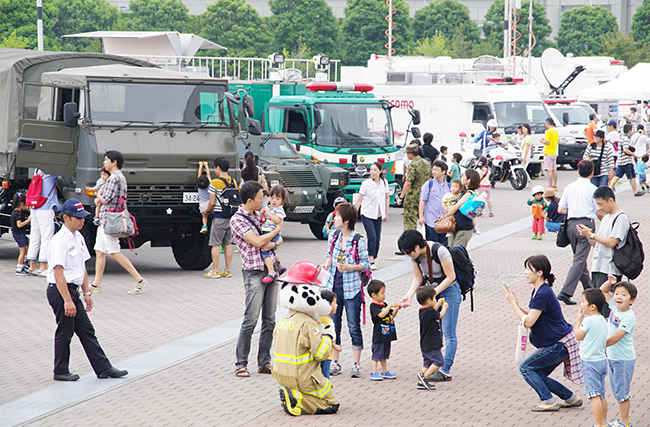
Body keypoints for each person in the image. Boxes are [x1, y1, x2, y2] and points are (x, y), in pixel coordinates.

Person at [46, 198, 128, 382]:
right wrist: (67, 300)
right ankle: (60, 371)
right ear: (66, 218)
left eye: (84, 217)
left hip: (72, 291)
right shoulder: (59, 241)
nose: (83, 221)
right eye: (79, 218)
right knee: (65, 331)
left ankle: (103, 368)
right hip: (60, 291)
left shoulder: (78, 237)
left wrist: (86, 292)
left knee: (86, 330)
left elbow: (81, 267)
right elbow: (58, 273)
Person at [505, 255, 583, 412]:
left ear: (539, 272)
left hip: (559, 344)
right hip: (561, 342)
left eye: (529, 269)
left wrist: (513, 304)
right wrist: (518, 305)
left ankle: (548, 401)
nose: (525, 272)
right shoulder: (540, 291)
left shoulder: (542, 293)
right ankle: (570, 398)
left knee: (526, 368)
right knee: (538, 373)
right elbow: (532, 314)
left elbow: (528, 322)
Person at [231, 181, 284, 377]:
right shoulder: (237, 220)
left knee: (270, 320)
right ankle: (241, 363)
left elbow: (277, 242)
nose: (265, 200)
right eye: (261, 197)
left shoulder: (262, 215)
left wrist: (275, 239)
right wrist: (278, 230)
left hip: (271, 271)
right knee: (250, 319)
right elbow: (259, 241)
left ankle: (264, 363)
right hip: (254, 272)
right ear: (250, 199)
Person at [273, 260, 339, 416]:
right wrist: (328, 334)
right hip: (302, 375)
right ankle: (297, 398)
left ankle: (294, 396)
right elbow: (321, 353)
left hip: (281, 373)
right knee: (331, 404)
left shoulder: (284, 320)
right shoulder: (308, 324)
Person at [397, 230, 460, 382]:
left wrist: (433, 293)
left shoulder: (440, 251)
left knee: (448, 331)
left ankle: (445, 370)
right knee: (434, 331)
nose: (408, 255)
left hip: (449, 290)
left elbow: (451, 276)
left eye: (408, 252)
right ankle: (435, 365)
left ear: (417, 246)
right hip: (432, 292)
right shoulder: (416, 257)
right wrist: (409, 295)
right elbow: (418, 278)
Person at [323, 202, 370, 378]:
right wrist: (327, 264)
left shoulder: (359, 240)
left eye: (337, 216)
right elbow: (329, 255)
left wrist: (349, 267)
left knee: (353, 326)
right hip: (333, 288)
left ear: (346, 220)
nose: (334, 218)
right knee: (333, 326)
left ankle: (356, 364)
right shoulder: (333, 236)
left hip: (352, 288)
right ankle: (335, 362)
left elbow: (366, 264)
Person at [92, 151, 147, 295]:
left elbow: (106, 199)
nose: (104, 163)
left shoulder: (113, 179)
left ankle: (139, 279)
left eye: (106, 160)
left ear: (114, 162)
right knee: (99, 251)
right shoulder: (120, 177)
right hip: (108, 218)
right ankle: (96, 284)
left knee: (114, 252)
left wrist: (97, 195)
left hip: (109, 219)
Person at [556, 160, 599, 305]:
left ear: (578, 171)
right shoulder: (593, 189)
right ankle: (565, 292)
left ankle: (590, 288)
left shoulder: (569, 187)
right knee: (579, 260)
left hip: (570, 225)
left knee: (579, 259)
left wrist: (574, 210)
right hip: (585, 225)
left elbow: (561, 210)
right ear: (592, 172)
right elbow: (599, 211)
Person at [577, 186, 629, 300]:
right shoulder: (606, 217)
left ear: (610, 200)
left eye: (601, 204)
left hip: (609, 269)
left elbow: (612, 242)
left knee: (605, 306)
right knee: (596, 304)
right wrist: (588, 235)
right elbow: (598, 244)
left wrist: (592, 235)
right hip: (597, 266)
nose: (599, 208)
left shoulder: (621, 218)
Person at [600, 276, 637, 427]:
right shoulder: (614, 308)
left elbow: (616, 338)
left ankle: (624, 422)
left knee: (622, 393)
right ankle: (622, 420)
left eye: (624, 294)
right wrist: (610, 282)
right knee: (616, 390)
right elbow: (603, 290)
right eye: (616, 293)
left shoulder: (628, 317)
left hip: (623, 359)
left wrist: (598, 345)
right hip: (613, 357)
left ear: (631, 300)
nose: (618, 297)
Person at [575, 288, 609, 427]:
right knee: (601, 394)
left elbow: (578, 336)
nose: (581, 304)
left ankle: (597, 424)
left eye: (583, 301)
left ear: (592, 306)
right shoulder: (602, 320)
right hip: (601, 360)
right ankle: (603, 423)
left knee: (593, 395)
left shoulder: (588, 321)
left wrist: (578, 320)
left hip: (590, 362)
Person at [204, 157, 237, 279]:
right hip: (231, 217)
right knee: (227, 244)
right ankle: (227, 270)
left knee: (215, 244)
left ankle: (215, 271)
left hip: (219, 217)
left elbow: (212, 202)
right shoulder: (233, 181)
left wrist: (206, 211)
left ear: (218, 168)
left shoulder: (214, 183)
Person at [355, 162, 389, 270]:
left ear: (380, 171)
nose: (372, 172)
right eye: (371, 170)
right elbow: (360, 199)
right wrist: (353, 212)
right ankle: (371, 260)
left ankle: (373, 256)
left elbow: (386, 197)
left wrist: (386, 212)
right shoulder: (366, 184)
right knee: (372, 236)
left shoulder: (384, 182)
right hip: (367, 213)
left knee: (378, 237)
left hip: (378, 213)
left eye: (375, 170)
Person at [415, 285, 448, 391]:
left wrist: (437, 303)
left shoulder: (423, 311)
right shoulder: (430, 312)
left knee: (427, 362)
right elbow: (440, 315)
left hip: (425, 343)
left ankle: (421, 383)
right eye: (434, 298)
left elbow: (433, 311)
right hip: (432, 343)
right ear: (429, 300)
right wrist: (444, 307)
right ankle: (424, 377)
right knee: (439, 361)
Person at [26, 169, 58, 276]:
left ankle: (32, 265)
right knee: (46, 238)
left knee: (34, 236)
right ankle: (43, 267)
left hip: (34, 209)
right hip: (45, 208)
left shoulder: (37, 171)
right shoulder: (50, 174)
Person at [367, 280, 399, 381]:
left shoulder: (384, 304)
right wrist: (389, 306)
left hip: (387, 334)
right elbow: (381, 315)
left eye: (384, 292)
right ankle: (374, 372)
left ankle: (384, 371)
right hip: (379, 335)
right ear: (374, 295)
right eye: (382, 293)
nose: (384, 295)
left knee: (385, 354)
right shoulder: (374, 306)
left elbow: (391, 315)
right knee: (377, 354)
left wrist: (397, 308)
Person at [441, 169, 481, 248]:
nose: (461, 178)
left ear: (469, 180)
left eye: (463, 176)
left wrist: (444, 217)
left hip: (463, 228)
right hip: (456, 227)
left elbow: (456, 207)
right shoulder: (465, 192)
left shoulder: (469, 193)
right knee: (453, 252)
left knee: (457, 253)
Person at [396, 142, 432, 231]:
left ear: (410, 154)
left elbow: (408, 183)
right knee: (423, 220)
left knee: (410, 222)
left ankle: (411, 240)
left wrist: (401, 197)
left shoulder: (413, 165)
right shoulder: (427, 163)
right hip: (424, 197)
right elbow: (430, 178)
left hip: (412, 198)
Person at [419, 160, 450, 245]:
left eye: (436, 170)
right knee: (432, 245)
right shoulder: (429, 184)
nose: (433, 172)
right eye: (433, 170)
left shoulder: (449, 186)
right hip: (431, 221)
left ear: (443, 172)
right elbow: (422, 200)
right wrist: (421, 216)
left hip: (445, 222)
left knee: (444, 246)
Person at [260, 185, 287, 283]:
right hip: (267, 232)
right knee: (271, 251)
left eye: (277, 198)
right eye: (272, 198)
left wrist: (268, 212)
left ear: (282, 200)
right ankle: (280, 267)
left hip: (271, 233)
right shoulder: (270, 207)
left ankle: (271, 272)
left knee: (265, 251)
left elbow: (277, 220)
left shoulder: (279, 210)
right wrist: (263, 213)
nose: (274, 200)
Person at [610, 124, 640, 196]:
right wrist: (634, 155)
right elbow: (625, 149)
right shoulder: (626, 139)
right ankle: (635, 191)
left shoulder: (621, 138)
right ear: (629, 130)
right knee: (631, 177)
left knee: (617, 176)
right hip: (626, 161)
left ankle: (609, 188)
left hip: (620, 161)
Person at [319, 289, 342, 379]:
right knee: (324, 377)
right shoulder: (322, 320)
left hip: (328, 354)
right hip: (324, 355)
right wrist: (334, 345)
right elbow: (321, 337)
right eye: (334, 303)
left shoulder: (328, 319)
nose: (336, 305)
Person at [11, 193, 31, 275]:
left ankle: (25, 260)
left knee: (28, 241)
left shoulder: (14, 211)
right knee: (22, 251)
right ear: (22, 204)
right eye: (26, 205)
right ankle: (20, 267)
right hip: (19, 233)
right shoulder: (18, 213)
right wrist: (28, 220)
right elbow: (19, 224)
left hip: (17, 233)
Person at [541, 118, 559, 189]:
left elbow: (547, 142)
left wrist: (542, 141)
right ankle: (555, 185)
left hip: (548, 152)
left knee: (549, 170)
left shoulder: (548, 132)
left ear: (548, 123)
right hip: (554, 152)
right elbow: (557, 141)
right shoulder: (555, 131)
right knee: (554, 169)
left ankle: (550, 185)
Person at [196, 161, 212, 234]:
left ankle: (204, 226)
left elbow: (199, 175)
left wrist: (200, 166)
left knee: (204, 216)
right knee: (211, 215)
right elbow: (208, 174)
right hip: (209, 203)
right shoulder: (210, 184)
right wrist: (206, 165)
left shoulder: (199, 187)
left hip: (202, 205)